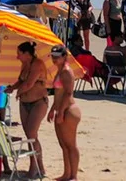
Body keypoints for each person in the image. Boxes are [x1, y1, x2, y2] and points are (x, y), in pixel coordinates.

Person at [5, 42, 48, 178]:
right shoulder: (25, 64)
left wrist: (18, 93)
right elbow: (21, 80)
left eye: (19, 53)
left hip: (38, 102)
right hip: (24, 104)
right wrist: (13, 87)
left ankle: (33, 167)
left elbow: (29, 83)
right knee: (31, 136)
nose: (17, 57)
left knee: (31, 134)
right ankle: (40, 167)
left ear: (26, 54)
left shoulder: (38, 64)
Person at [48, 45, 81, 181]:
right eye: (53, 56)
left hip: (68, 110)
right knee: (63, 144)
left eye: (57, 57)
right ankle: (67, 173)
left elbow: (68, 93)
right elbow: (58, 94)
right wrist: (52, 109)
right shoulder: (60, 71)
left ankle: (73, 175)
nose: (54, 59)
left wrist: (60, 112)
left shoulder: (66, 71)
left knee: (71, 144)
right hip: (61, 109)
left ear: (64, 57)